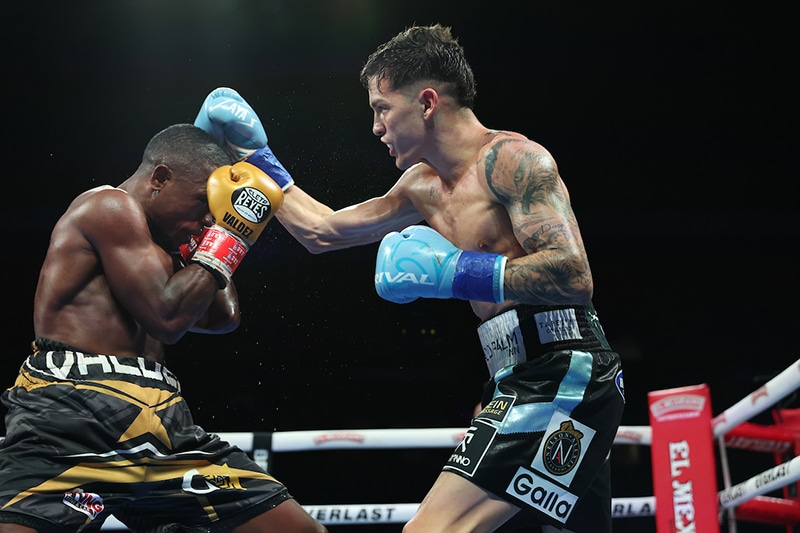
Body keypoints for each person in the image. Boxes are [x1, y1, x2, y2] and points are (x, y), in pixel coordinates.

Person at [200, 23, 625, 533]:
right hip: (515, 376)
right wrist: (255, 157)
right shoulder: (422, 185)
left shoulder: (513, 161)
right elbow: (324, 231)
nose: (376, 127)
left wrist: (456, 273)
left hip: (563, 372)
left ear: (426, 102)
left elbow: (574, 276)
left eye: (382, 108)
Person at [0, 120, 328, 532]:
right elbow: (168, 318)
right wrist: (230, 230)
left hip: (162, 427)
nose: (205, 219)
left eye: (215, 211)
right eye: (199, 204)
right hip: (71, 420)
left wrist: (216, 236)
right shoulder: (108, 206)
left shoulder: (170, 249)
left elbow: (221, 317)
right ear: (160, 178)